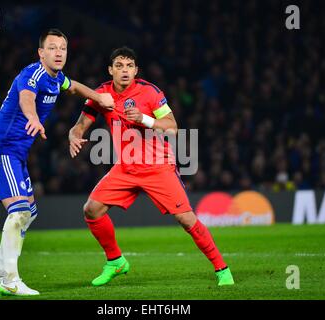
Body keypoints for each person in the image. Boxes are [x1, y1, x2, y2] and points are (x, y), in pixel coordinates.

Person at [68, 47, 234, 287]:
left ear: (136, 70)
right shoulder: (101, 94)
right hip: (125, 168)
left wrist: (144, 119)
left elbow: (172, 127)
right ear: (110, 70)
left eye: (129, 66)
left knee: (187, 220)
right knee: (92, 209)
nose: (124, 71)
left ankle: (222, 268)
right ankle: (115, 261)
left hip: (158, 166)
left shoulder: (150, 92)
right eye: (119, 66)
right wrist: (74, 135)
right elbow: (80, 125)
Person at [0, 29, 115, 296]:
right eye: (52, 48)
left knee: (28, 213)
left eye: (63, 48)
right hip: (1, 151)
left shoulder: (56, 78)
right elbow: (26, 97)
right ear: (41, 53)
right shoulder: (33, 74)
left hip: (16, 154)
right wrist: (32, 117)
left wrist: (99, 98)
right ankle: (10, 279)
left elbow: (74, 86)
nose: (59, 53)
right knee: (19, 212)